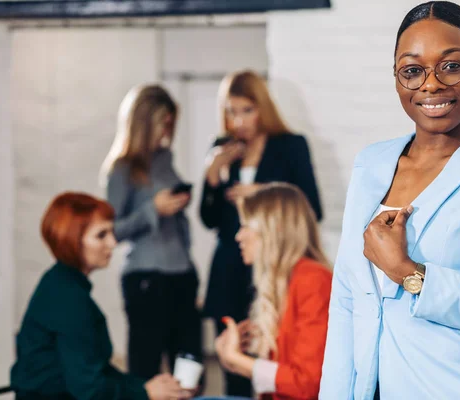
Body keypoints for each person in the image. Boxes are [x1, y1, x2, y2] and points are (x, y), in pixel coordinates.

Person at [319, 2, 460, 399]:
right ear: (396, 79)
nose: (431, 84)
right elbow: (346, 302)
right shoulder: (370, 164)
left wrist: (409, 272)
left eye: (451, 65)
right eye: (412, 70)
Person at [200, 71, 323, 396]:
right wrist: (212, 177)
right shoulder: (221, 149)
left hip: (272, 262)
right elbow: (209, 219)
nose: (238, 120)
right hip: (231, 268)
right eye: (231, 111)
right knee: (241, 359)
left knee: (277, 348)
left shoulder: (290, 146)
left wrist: (262, 193)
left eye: (246, 110)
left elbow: (311, 209)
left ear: (263, 108)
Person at [10, 192, 194, 400]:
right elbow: (90, 389)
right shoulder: (68, 298)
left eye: (111, 232)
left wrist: (149, 386)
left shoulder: (61, 283)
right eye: (101, 235)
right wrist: (145, 392)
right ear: (72, 241)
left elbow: (96, 370)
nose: (113, 243)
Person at [102, 85, 202, 381]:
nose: (168, 130)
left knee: (190, 367)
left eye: (171, 123)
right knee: (145, 368)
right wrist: (153, 210)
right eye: (163, 123)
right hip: (146, 278)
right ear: (145, 122)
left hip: (182, 273)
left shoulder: (165, 159)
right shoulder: (122, 169)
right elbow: (112, 231)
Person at [213, 183, 332, 400]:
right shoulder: (285, 281)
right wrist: (235, 359)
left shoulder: (313, 280)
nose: (238, 236)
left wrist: (237, 358)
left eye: (245, 226)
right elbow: (282, 379)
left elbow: (307, 384)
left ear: (272, 229)